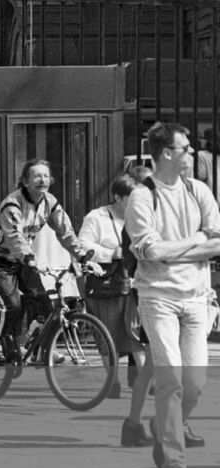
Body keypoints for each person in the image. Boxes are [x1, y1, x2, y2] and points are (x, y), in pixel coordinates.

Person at [124, 122, 220, 468]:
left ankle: (164, 426)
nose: (192, 153)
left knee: (195, 383)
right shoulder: (142, 198)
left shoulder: (199, 191)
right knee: (171, 380)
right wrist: (195, 243)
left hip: (197, 298)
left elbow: (216, 243)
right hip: (158, 298)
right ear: (167, 153)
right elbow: (151, 252)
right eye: (186, 148)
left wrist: (177, 248)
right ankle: (174, 462)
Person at [0, 159, 93, 362]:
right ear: (25, 182)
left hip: (23, 261)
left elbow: (65, 231)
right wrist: (29, 257)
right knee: (13, 306)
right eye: (36, 175)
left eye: (45, 175)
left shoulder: (50, 202)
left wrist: (81, 255)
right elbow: (15, 237)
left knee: (45, 303)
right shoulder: (12, 204)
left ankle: (41, 349)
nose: (42, 179)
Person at [78, 172, 153, 438]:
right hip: (106, 285)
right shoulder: (96, 217)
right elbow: (82, 244)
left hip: (132, 284)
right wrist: (111, 253)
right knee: (108, 334)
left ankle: (145, 381)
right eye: (129, 199)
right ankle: (114, 382)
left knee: (135, 335)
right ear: (117, 198)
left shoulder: (141, 216)